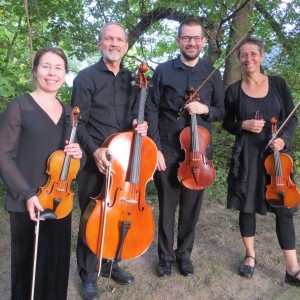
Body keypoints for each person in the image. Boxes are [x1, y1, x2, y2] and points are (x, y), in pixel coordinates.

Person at [71, 22, 148, 299]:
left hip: (125, 162)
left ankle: (111, 263)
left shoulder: (133, 79)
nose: (114, 43)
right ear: (99, 43)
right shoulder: (86, 78)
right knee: (93, 219)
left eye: (119, 40)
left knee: (118, 217)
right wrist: (94, 151)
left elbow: (138, 117)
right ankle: (88, 274)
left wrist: (141, 125)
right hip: (96, 160)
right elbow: (78, 122)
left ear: (126, 45)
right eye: (109, 39)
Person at [0, 46, 84, 300]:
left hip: (59, 199)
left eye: (58, 68)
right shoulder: (20, 106)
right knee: (28, 269)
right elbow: (3, 154)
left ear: (65, 74)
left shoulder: (70, 112)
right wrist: (26, 194)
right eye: (46, 66)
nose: (52, 73)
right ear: (36, 71)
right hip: (28, 200)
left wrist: (80, 152)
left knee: (56, 265)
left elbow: (74, 157)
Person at [145, 18, 225, 278]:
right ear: (178, 40)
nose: (191, 42)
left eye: (196, 38)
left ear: (203, 41)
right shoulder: (163, 70)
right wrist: (155, 147)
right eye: (186, 38)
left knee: (191, 207)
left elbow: (222, 111)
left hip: (199, 154)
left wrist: (206, 109)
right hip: (168, 149)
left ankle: (184, 255)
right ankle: (165, 258)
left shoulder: (213, 74)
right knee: (167, 208)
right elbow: (152, 109)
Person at [223, 36, 300, 286]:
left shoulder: (278, 84)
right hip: (247, 154)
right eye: (244, 55)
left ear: (262, 57)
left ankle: (292, 268)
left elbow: (291, 119)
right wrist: (242, 124)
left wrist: (283, 138)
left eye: (253, 54)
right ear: (239, 59)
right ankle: (250, 256)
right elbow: (226, 122)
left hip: (277, 156)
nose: (248, 59)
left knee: (283, 209)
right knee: (247, 206)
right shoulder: (233, 90)